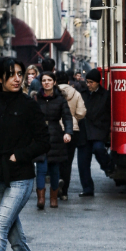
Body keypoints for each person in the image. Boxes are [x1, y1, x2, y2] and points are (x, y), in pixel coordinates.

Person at [0, 57, 50, 251]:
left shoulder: (29, 105)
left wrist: (19, 155)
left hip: (20, 176)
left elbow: (43, 141)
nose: (17, 79)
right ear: (1, 77)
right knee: (14, 235)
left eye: (20, 74)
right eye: (11, 74)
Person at [34, 72, 73, 210]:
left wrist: (68, 132)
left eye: (49, 80)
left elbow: (67, 117)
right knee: (41, 168)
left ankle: (53, 198)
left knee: (55, 168)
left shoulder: (60, 99)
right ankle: (41, 198)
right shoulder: (36, 98)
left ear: (54, 82)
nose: (46, 83)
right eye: (44, 80)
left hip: (56, 135)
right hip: (40, 135)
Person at [78, 69, 113, 197]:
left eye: (91, 82)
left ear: (98, 82)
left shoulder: (105, 95)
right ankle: (87, 189)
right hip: (84, 131)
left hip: (99, 129)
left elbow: (109, 113)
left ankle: (108, 165)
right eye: (87, 82)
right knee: (83, 162)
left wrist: (108, 129)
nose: (88, 84)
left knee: (99, 149)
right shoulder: (82, 94)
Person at [56, 72, 86, 200]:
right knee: (67, 162)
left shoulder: (53, 93)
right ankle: (65, 192)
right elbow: (82, 112)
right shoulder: (76, 93)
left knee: (55, 160)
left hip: (56, 128)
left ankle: (55, 185)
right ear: (68, 81)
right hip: (72, 129)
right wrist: (74, 119)